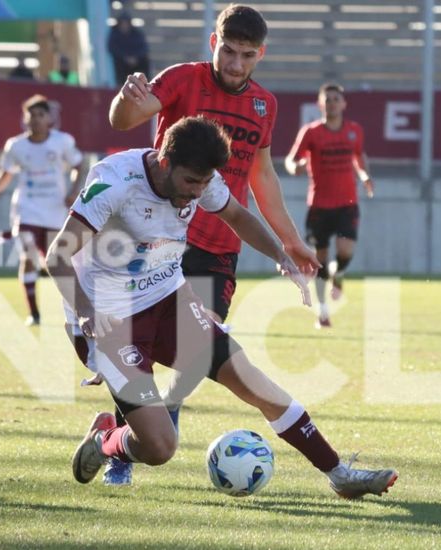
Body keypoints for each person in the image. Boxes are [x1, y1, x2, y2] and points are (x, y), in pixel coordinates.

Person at [47, 116, 398, 499]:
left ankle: (339, 473)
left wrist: (281, 255)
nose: (198, 193)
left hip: (168, 298)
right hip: (109, 320)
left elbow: (237, 216)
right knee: (160, 447)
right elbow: (57, 257)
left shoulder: (203, 180)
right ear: (165, 163)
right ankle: (105, 441)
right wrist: (85, 312)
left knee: (252, 382)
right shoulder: (114, 183)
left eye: (204, 183)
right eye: (190, 183)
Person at [104, 3, 320, 485]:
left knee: (199, 347)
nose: (235, 64)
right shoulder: (183, 79)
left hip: (218, 246)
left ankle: (153, 427)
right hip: (159, 240)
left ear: (260, 54)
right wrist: (126, 98)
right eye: (228, 51)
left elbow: (261, 175)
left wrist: (290, 240)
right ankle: (127, 444)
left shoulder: (265, 105)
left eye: (247, 55)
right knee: (138, 352)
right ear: (213, 44)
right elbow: (125, 119)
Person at [0, 94, 85, 326]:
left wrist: (73, 191)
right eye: (32, 115)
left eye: (41, 114)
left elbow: (79, 163)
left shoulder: (62, 142)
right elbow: (6, 171)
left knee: (60, 262)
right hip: (26, 208)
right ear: (25, 119)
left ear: (49, 118)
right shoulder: (16, 145)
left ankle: (76, 312)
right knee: (27, 251)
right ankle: (34, 313)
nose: (36, 119)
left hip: (55, 209)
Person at [285, 82, 373, 328]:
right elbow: (291, 161)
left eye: (336, 99)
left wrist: (364, 176)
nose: (332, 103)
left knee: (345, 252)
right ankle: (323, 313)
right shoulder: (311, 132)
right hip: (320, 207)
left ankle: (340, 273)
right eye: (328, 99)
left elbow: (358, 156)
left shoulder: (354, 131)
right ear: (320, 104)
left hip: (347, 204)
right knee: (319, 262)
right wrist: (296, 168)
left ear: (343, 104)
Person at [107, 12, 149, 87]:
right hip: (122, 62)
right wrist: (125, 57)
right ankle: (121, 85)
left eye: (126, 23)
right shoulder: (114, 34)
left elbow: (144, 47)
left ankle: (145, 85)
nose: (124, 26)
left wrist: (135, 57)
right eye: (122, 23)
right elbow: (112, 48)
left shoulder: (136, 33)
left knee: (145, 61)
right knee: (118, 64)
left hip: (137, 61)